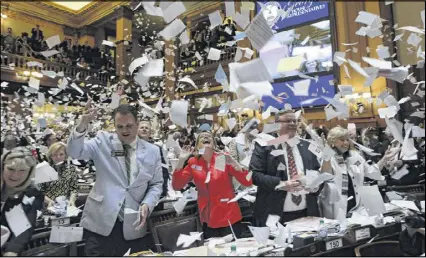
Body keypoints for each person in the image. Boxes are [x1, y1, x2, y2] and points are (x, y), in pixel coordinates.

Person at [67, 102, 163, 256]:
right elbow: (74, 152)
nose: (124, 131)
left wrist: (147, 203)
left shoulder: (153, 151)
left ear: (137, 124)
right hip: (100, 223)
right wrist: (83, 123)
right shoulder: (102, 141)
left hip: (133, 224)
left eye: (129, 126)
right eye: (120, 127)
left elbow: (156, 184)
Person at [172, 130, 252, 239]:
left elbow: (247, 182)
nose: (206, 137)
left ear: (213, 143)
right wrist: (181, 160)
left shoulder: (223, 158)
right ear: (197, 145)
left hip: (228, 215)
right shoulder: (193, 162)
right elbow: (177, 186)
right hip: (207, 217)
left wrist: (234, 163)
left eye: (209, 136)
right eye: (202, 137)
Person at [250, 110, 322, 226]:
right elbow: (255, 175)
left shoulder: (307, 146)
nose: (293, 124)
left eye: (295, 121)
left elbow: (318, 173)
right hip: (275, 215)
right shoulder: (264, 145)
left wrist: (314, 184)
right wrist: (282, 184)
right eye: (288, 121)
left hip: (307, 213)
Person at [319, 126, 400, 219]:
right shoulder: (329, 159)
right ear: (332, 142)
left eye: (347, 140)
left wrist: (384, 159)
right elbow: (324, 175)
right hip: (337, 208)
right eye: (342, 140)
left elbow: (371, 172)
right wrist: (326, 154)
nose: (346, 143)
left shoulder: (355, 156)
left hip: (356, 206)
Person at [1, 147, 44, 256]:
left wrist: (12, 250)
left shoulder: (32, 193)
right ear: (2, 167)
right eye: (11, 169)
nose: (15, 175)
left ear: (30, 172)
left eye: (22, 171)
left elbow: (25, 226)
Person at [39, 142, 78, 210]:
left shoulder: (71, 169)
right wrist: (49, 202)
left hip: (66, 206)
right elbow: (39, 192)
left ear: (65, 155)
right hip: (49, 206)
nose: (58, 157)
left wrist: (72, 200)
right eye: (55, 154)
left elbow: (74, 189)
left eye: (61, 154)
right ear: (51, 156)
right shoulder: (43, 170)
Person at [138, 120, 169, 198]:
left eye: (146, 128)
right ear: (137, 130)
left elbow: (163, 170)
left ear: (150, 133)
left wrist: (163, 190)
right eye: (142, 128)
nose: (144, 129)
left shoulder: (157, 149)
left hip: (152, 191)